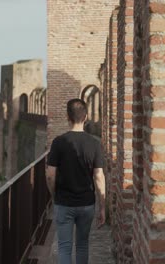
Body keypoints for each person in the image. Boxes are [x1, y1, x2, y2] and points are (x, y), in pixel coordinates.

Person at [46, 98, 106, 264]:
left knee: (64, 246)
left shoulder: (58, 142)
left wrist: (54, 195)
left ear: (67, 116)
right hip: (86, 204)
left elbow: (50, 175)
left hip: (64, 202)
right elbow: (99, 176)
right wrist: (102, 206)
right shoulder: (94, 144)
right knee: (82, 245)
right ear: (86, 116)